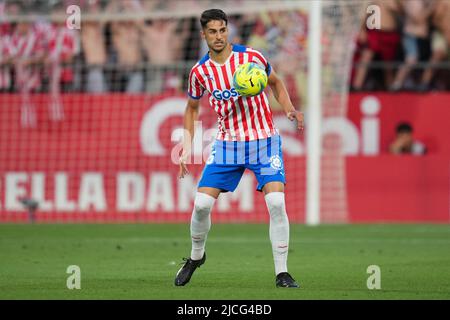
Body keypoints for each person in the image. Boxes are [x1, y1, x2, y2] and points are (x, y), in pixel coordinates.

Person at [174, 9, 304, 288]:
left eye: (222, 30)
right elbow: (191, 108)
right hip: (228, 145)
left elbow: (276, 83)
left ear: (228, 30)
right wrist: (186, 147)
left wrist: (290, 108)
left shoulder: (252, 58)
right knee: (201, 206)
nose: (219, 36)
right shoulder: (200, 72)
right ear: (203, 34)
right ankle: (197, 257)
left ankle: (282, 272)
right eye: (213, 32)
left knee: (277, 203)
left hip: (264, 141)